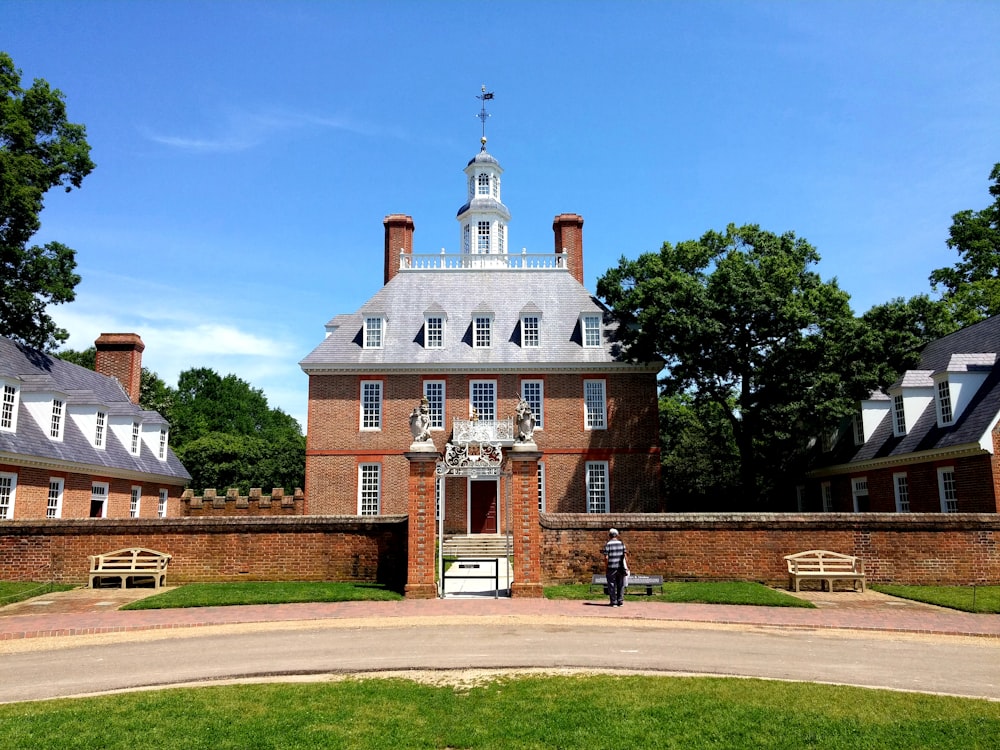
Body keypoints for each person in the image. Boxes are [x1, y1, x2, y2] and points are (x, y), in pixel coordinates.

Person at [602, 528, 628, 607]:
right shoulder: (622, 544)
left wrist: (606, 567)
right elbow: (625, 556)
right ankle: (620, 601)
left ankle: (613, 602)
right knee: (621, 584)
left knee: (612, 584)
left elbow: (606, 558)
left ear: (609, 535)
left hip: (611, 567)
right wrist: (626, 566)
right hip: (621, 567)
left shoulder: (608, 544)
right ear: (616, 535)